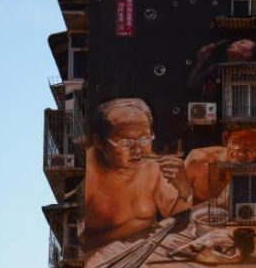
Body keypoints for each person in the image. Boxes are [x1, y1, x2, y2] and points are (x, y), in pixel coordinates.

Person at [82, 98, 193, 251]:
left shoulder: (152, 165)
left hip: (148, 251)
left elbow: (179, 218)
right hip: (101, 258)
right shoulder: (86, 175)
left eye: (145, 139)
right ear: (99, 142)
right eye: (125, 143)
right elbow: (78, 243)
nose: (138, 150)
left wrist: (184, 190)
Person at [184, 128, 256, 205]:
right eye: (236, 143)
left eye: (251, 147)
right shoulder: (198, 161)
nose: (241, 154)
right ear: (225, 140)